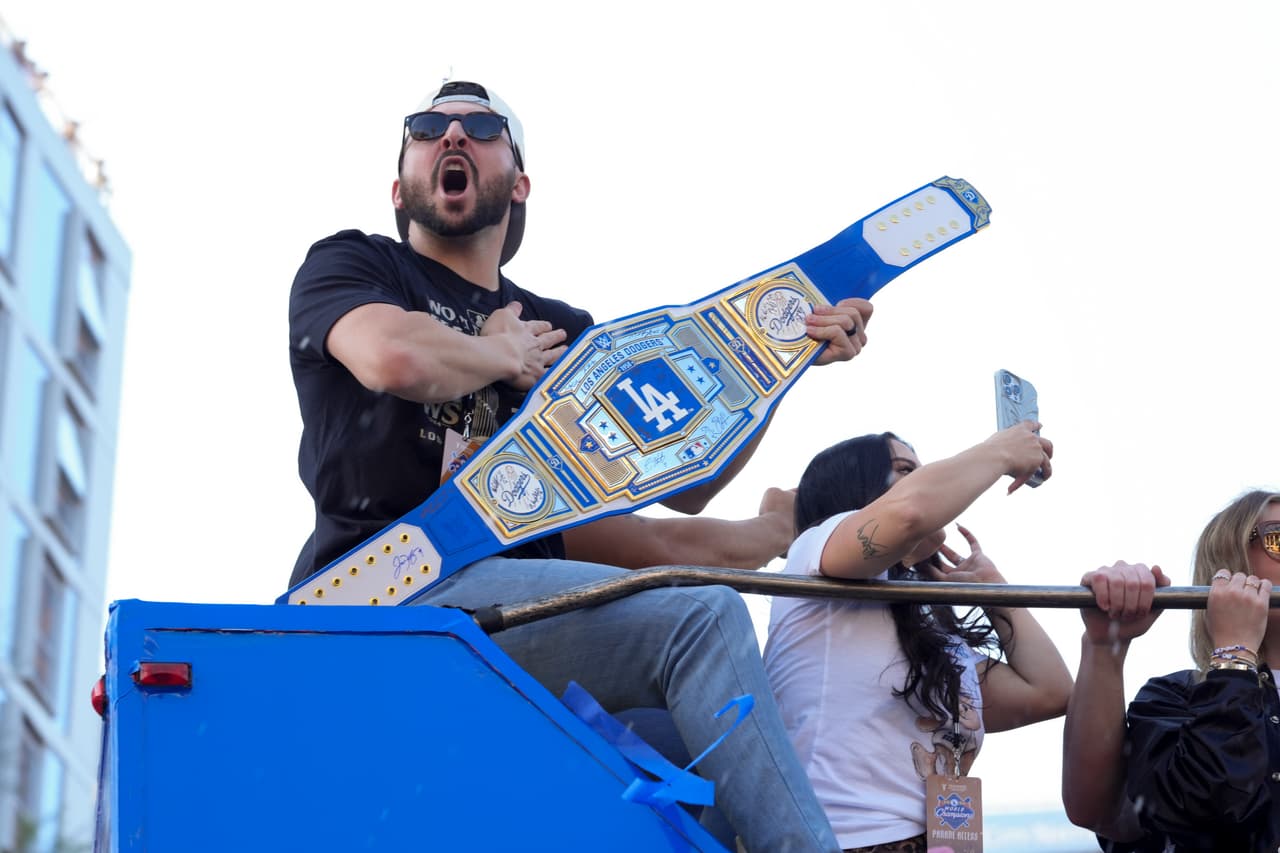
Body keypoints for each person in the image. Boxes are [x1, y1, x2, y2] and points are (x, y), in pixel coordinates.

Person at [287, 79, 876, 851]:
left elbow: (689, 481)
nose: (453, 136)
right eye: (429, 127)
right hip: (391, 591)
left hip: (520, 616)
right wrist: (501, 355)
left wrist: (785, 360)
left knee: (715, 742)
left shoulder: (568, 335)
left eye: (481, 127)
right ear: (400, 184)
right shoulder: (354, 265)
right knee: (700, 615)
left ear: (520, 180)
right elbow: (392, 356)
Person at [762, 425, 1072, 853]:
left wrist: (994, 592)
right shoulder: (815, 548)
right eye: (906, 469)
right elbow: (907, 514)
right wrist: (997, 452)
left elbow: (1050, 692)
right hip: (838, 839)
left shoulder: (929, 632)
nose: (932, 481)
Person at [1063, 489, 1280, 852]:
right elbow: (1196, 810)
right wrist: (1234, 657)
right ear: (1233, 566)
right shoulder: (1176, 699)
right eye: (1278, 538)